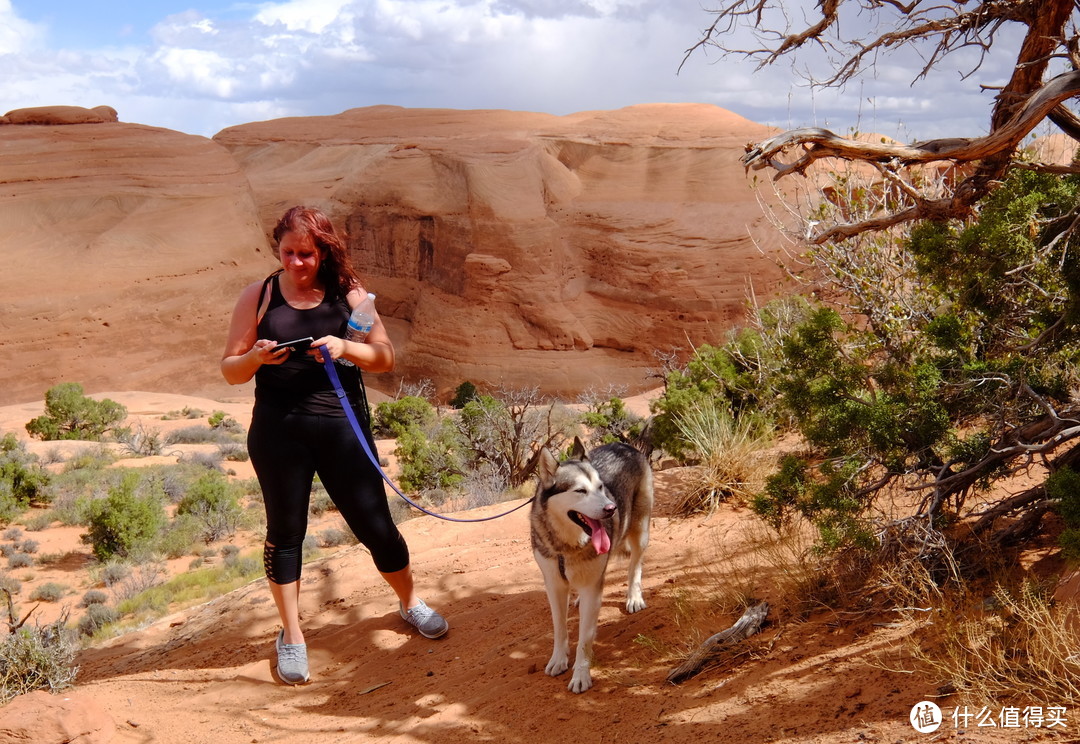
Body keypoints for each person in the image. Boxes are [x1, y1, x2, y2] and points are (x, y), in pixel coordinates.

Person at [221, 205, 447, 686]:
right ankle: (293, 636)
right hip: (279, 431)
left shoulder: (351, 296)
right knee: (286, 532)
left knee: (377, 526)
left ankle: (410, 603)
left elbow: (384, 358)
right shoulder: (259, 295)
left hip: (342, 427)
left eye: (306, 253)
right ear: (277, 250)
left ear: (323, 251)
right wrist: (258, 357)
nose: (297, 263)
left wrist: (346, 348)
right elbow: (229, 368)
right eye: (289, 253)